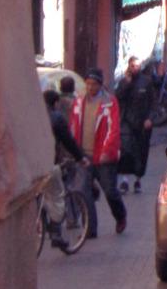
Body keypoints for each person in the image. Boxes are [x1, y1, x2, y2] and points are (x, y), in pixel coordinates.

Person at [69, 68, 127, 237]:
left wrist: (106, 151)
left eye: (94, 84)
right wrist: (73, 151)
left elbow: (113, 129)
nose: (90, 87)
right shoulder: (79, 101)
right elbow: (73, 125)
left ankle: (120, 216)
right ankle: (89, 229)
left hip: (103, 157)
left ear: (100, 85)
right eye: (87, 84)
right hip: (83, 155)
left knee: (110, 191)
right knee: (83, 190)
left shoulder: (110, 102)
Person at [43, 89, 87, 250]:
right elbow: (68, 141)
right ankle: (56, 233)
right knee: (57, 196)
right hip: (48, 162)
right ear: (55, 103)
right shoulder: (56, 117)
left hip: (30, 165)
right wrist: (80, 157)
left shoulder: (32, 115)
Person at [114, 56, 154, 194]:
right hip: (126, 122)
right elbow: (118, 97)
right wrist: (127, 83)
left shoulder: (146, 82)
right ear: (129, 66)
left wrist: (150, 118)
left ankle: (138, 180)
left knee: (141, 152)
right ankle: (124, 181)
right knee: (125, 151)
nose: (135, 68)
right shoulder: (124, 81)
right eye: (132, 66)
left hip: (143, 122)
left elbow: (153, 103)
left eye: (137, 66)